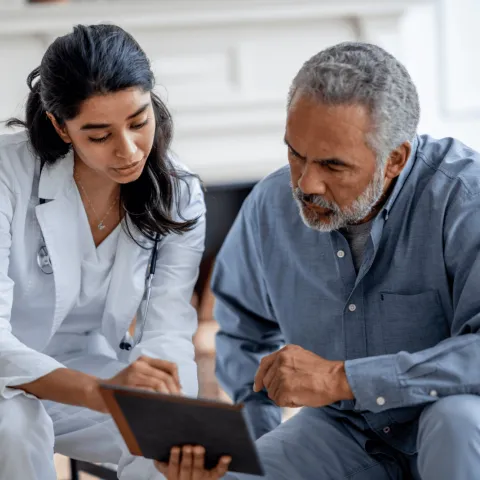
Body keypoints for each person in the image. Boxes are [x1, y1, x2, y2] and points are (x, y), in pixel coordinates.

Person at [211, 42, 480, 479]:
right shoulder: (270, 206)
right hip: (347, 428)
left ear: (395, 159)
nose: (306, 183)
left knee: (456, 421)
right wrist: (255, 439)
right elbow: (242, 331)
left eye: (333, 166)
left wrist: (344, 380)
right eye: (295, 154)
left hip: (453, 421)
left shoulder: (465, 198)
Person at [0, 23, 211, 479]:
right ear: (60, 126)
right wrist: (98, 391)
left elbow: (169, 331)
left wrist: (171, 406)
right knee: (16, 425)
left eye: (139, 121)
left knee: (174, 444)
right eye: (99, 135)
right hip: (7, 377)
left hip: (89, 367)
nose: (129, 150)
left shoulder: (179, 192)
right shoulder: (6, 174)